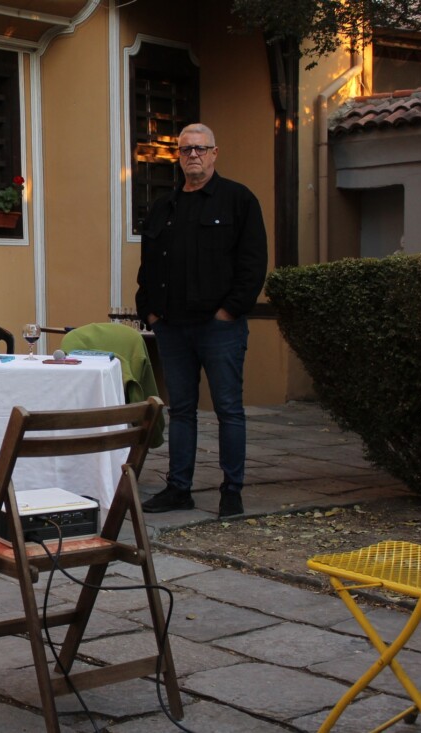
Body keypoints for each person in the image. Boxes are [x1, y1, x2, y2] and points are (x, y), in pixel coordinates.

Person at [135, 123, 268, 518]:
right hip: (172, 328)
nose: (193, 155)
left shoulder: (238, 200)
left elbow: (253, 262)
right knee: (182, 411)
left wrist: (230, 311)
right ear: (178, 156)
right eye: (186, 150)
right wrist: (151, 312)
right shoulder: (164, 206)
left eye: (201, 149)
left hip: (219, 327)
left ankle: (232, 490)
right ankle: (179, 488)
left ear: (214, 153)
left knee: (229, 409)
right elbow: (148, 267)